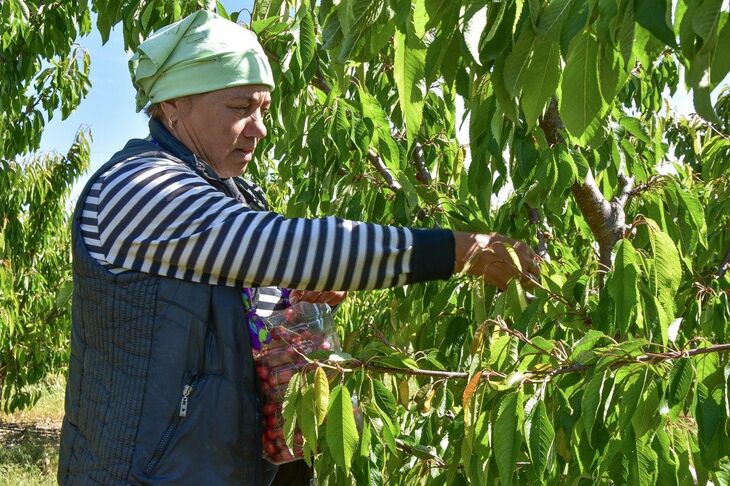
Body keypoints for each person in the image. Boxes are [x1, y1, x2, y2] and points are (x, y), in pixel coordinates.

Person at [57, 10, 539, 486]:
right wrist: (460, 252)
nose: (259, 128)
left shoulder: (235, 195)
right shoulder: (136, 187)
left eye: (263, 110)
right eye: (240, 107)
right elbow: (280, 246)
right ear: (173, 105)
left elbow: (257, 294)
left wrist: (296, 299)